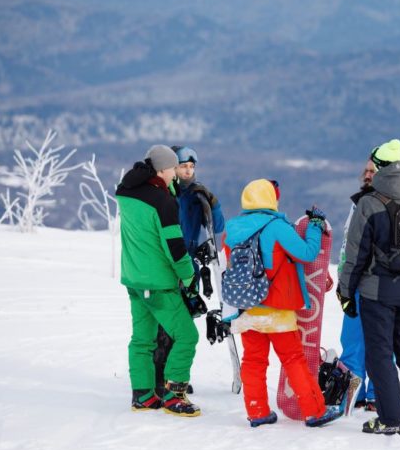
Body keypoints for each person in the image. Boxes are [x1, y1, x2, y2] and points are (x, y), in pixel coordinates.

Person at [337, 139, 400, 435]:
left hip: (378, 293)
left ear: (380, 167)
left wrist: (346, 293)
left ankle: (391, 418)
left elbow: (355, 256)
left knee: (380, 354)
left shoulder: (369, 203)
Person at [223, 178, 342, 428]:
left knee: (253, 361)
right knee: (293, 359)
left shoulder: (231, 229)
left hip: (246, 306)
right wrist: (316, 227)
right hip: (276, 309)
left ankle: (257, 412)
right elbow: (307, 253)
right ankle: (314, 411)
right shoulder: (276, 226)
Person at [115, 145, 201, 417]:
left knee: (142, 339)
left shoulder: (127, 192)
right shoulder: (161, 201)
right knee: (187, 335)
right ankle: (174, 395)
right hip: (158, 282)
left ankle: (142, 395)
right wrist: (189, 277)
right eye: (174, 168)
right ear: (163, 169)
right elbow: (174, 246)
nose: (177, 173)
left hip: (134, 278)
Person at [153, 146, 225, 396]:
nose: (188, 170)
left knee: (184, 322)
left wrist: (212, 203)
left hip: (189, 263)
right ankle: (161, 377)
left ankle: (175, 374)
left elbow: (218, 226)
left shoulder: (197, 194)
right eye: (183, 166)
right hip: (169, 264)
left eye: (191, 166)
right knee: (169, 324)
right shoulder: (168, 194)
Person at [337, 158, 378, 410]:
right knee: (352, 339)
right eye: (365, 170)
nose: (367, 175)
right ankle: (353, 392)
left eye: (372, 171)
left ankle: (376, 393)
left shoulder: (385, 204)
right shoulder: (358, 202)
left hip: (375, 283)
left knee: (381, 342)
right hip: (354, 282)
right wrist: (343, 279)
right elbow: (346, 246)